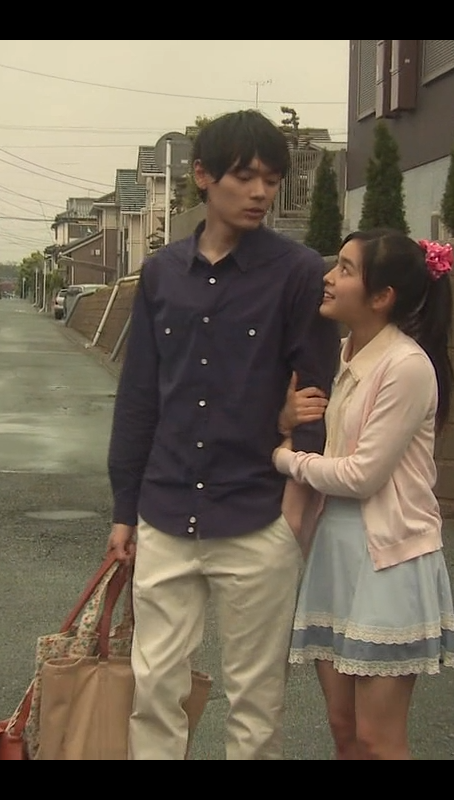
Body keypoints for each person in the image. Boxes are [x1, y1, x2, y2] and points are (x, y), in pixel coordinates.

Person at [106, 110, 340, 760]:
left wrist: (294, 511)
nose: (260, 192)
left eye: (272, 180)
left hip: (258, 513)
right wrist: (124, 509)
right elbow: (139, 396)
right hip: (165, 509)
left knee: (256, 703)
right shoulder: (162, 274)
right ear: (203, 176)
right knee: (154, 688)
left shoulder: (298, 273)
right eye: (244, 177)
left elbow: (316, 396)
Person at [273, 228, 454, 760]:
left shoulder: (406, 366)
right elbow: (315, 432)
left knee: (378, 740)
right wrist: (285, 420)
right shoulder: (338, 355)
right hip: (336, 553)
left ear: (382, 297)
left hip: (389, 562)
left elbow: (362, 476)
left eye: (346, 269)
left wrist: (286, 459)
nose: (329, 278)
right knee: (344, 729)